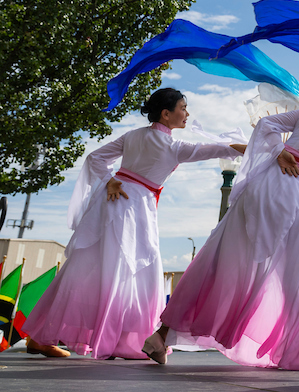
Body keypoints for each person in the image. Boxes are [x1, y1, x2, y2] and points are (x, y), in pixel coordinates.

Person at [147, 73, 299, 369]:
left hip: (264, 186)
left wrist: (279, 151)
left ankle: (161, 336)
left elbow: (266, 124)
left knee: (223, 263)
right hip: (296, 192)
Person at [22, 88, 245, 360]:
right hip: (134, 205)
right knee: (133, 271)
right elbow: (216, 149)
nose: (186, 114)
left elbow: (95, 159)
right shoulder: (173, 146)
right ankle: (124, 342)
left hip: (113, 198)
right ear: (166, 113)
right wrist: (256, 149)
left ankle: (40, 337)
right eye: (183, 108)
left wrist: (110, 180)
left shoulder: (133, 135)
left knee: (86, 269)